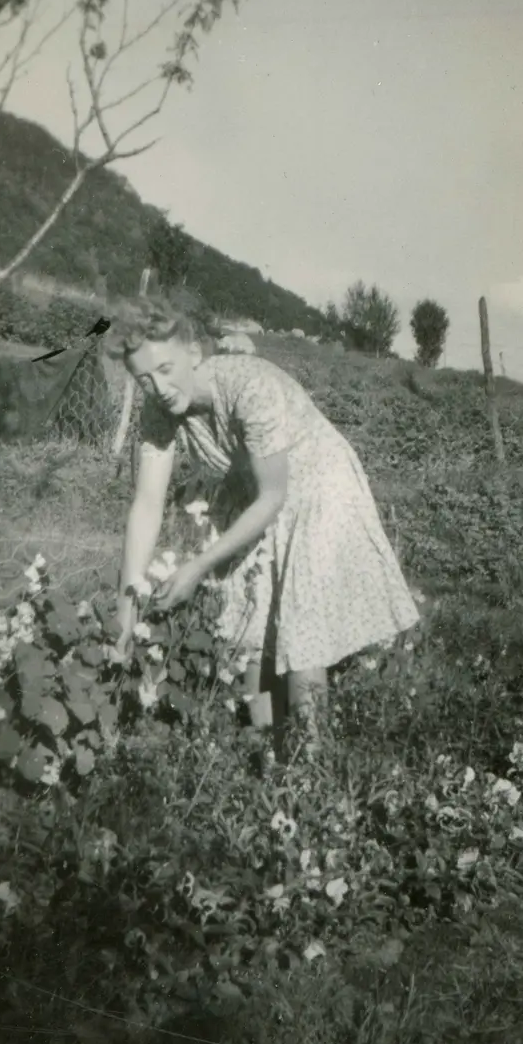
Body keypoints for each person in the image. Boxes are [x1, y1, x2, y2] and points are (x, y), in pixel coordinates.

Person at [107, 294, 420, 754]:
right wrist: (125, 609)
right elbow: (147, 503)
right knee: (245, 612)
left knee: (301, 618)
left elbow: (275, 497)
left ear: (193, 354)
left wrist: (195, 567)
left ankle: (310, 764)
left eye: (166, 370)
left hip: (315, 480)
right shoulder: (159, 408)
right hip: (255, 486)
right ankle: (258, 746)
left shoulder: (249, 387)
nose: (159, 388)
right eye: (144, 379)